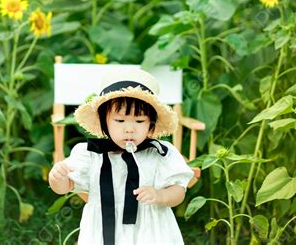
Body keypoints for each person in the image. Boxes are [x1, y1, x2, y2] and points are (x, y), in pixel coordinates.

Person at [49, 69, 196, 244]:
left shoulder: (161, 153)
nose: (129, 129)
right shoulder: (90, 154)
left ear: (151, 125)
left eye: (139, 121)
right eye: (120, 121)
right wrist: (57, 178)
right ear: (105, 123)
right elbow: (65, 187)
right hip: (102, 230)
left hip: (151, 232)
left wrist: (160, 195)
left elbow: (179, 191)